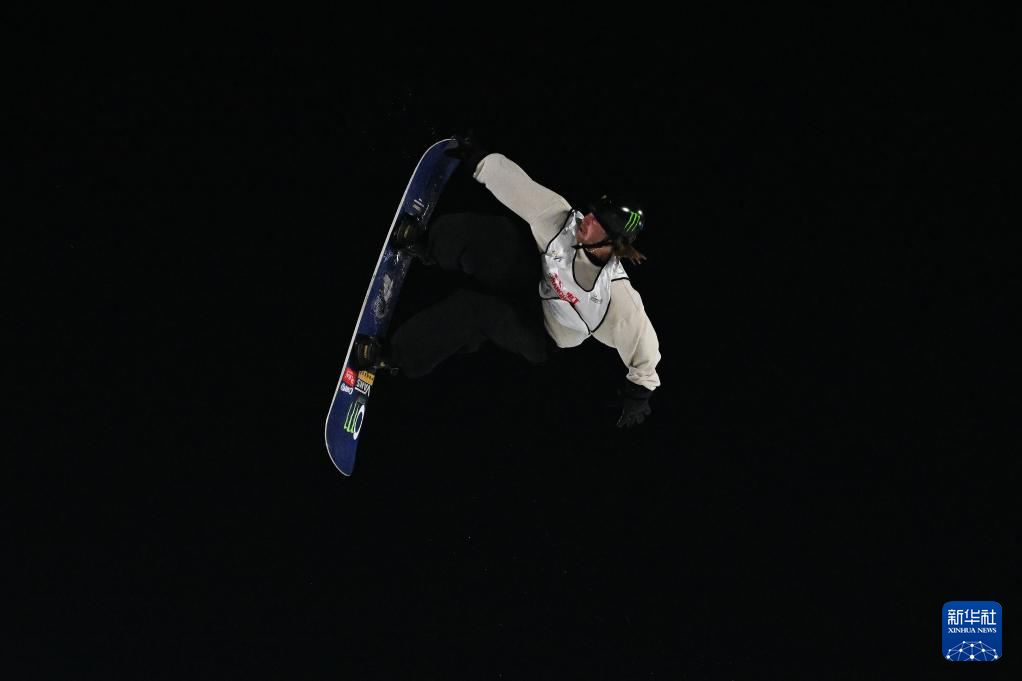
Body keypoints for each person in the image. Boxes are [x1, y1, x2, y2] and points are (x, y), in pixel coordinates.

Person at [355, 133, 661, 427]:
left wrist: (640, 393)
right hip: (533, 281)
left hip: (542, 332)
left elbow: (645, 345)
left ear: (613, 242)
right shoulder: (563, 222)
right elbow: (521, 189)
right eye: (592, 212)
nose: (588, 219)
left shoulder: (616, 297)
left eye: (598, 222)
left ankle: (392, 356)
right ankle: (426, 244)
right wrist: (481, 161)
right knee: (499, 237)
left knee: (474, 310)